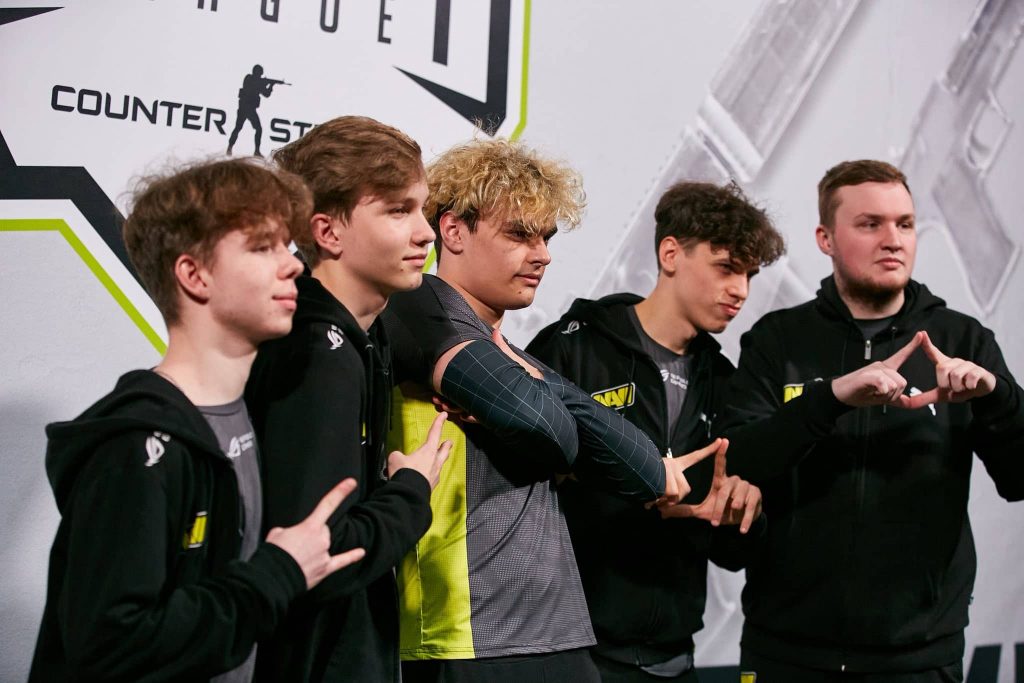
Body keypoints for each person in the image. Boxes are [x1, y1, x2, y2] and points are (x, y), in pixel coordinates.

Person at [383, 139, 719, 683]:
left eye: (546, 237)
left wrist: (540, 385)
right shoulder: (417, 304)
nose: (542, 255)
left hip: (558, 632)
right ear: (453, 231)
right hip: (466, 638)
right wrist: (544, 399)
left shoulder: (509, 353)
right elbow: (545, 426)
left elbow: (643, 469)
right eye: (520, 234)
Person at [28, 158, 367, 683]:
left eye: (287, 245)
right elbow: (111, 646)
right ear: (193, 275)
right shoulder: (137, 447)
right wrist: (277, 573)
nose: (294, 265)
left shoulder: (243, 418)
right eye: (262, 247)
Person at [721, 160, 1024, 681]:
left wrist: (997, 397)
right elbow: (738, 462)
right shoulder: (778, 340)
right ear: (825, 238)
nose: (893, 240)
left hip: (919, 658)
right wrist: (830, 399)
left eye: (905, 224)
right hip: (786, 652)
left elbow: (1019, 480)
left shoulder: (964, 340)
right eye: (870, 224)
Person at [527, 181, 784, 682]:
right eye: (727, 268)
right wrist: (626, 483)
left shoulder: (726, 383)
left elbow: (733, 555)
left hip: (674, 659)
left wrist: (745, 515)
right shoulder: (575, 348)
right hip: (572, 655)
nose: (741, 290)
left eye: (749, 275)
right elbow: (514, 488)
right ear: (670, 254)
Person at [245, 116, 452, 683]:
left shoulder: (367, 335)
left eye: (422, 208)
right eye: (398, 210)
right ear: (328, 233)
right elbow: (324, 555)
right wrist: (412, 490)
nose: (426, 233)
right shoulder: (316, 351)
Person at [226, 64, 285, 157]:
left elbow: (266, 94)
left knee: (240, 128)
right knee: (255, 128)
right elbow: (263, 91)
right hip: (247, 108)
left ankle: (231, 148)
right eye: (260, 73)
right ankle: (254, 150)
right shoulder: (249, 78)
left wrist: (270, 85)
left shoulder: (255, 80)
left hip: (245, 108)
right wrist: (267, 85)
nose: (260, 75)